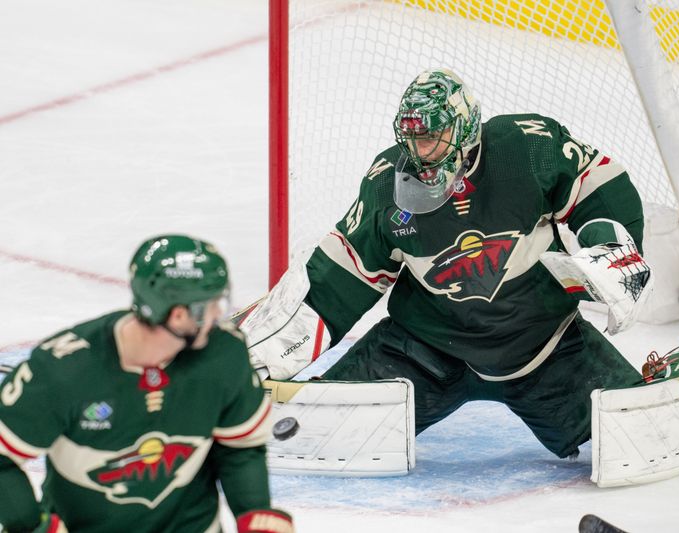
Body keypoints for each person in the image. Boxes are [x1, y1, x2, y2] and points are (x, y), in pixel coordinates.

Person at [243, 68, 653, 461]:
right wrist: (254, 358)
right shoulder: (388, 184)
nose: (420, 151)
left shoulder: (527, 148)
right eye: (413, 138)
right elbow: (339, 279)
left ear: (466, 128)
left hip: (544, 347)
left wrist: (611, 247)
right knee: (308, 431)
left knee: (642, 435)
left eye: (433, 136)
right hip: (425, 349)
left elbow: (601, 188)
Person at [0, 235, 294, 533]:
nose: (219, 314)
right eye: (211, 305)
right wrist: (32, 526)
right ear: (178, 315)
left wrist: (254, 512)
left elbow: (240, 446)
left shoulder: (224, 355)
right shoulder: (65, 369)